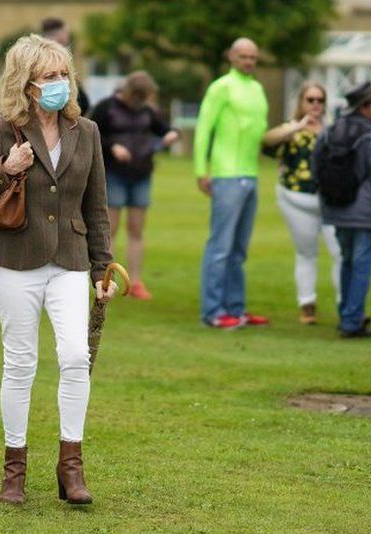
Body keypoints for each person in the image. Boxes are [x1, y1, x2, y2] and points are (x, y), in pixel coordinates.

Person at [0, 34, 116, 507]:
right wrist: (6, 167)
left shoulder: (85, 130)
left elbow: (97, 205)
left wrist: (101, 269)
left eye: (64, 74)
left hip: (69, 258)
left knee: (73, 356)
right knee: (20, 363)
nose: (60, 84)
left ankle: (71, 467)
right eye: (49, 77)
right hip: (15, 259)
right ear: (26, 85)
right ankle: (14, 470)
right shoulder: (1, 129)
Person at [193, 37, 269, 329]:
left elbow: (258, 133)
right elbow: (203, 129)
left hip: (251, 175)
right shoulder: (221, 87)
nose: (249, 61)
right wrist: (202, 170)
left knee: (239, 249)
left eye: (253, 56)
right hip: (226, 174)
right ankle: (213, 311)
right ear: (231, 57)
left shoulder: (258, 89)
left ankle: (236, 309)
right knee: (221, 246)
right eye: (243, 56)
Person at [91, 71, 179, 299]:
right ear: (129, 91)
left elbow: (165, 128)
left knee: (136, 230)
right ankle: (105, 279)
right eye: (138, 96)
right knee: (109, 230)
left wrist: (171, 134)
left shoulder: (146, 111)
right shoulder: (107, 107)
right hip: (114, 175)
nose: (140, 101)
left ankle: (136, 281)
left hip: (141, 174)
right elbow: (91, 133)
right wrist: (112, 147)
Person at [263, 82, 342, 324]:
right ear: (301, 102)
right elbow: (266, 141)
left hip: (329, 202)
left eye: (320, 100)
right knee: (306, 252)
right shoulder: (291, 130)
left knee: (340, 252)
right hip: (296, 199)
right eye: (310, 100)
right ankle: (307, 303)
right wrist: (296, 127)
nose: (315, 104)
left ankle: (345, 304)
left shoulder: (332, 130)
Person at [313, 81, 371, 339]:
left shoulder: (332, 129)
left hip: (335, 208)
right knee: (361, 265)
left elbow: (316, 163)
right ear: (366, 106)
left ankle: (346, 313)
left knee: (347, 260)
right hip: (364, 210)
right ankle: (351, 321)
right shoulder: (368, 135)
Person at [40, 18, 90, 114]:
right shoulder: (48, 56)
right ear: (59, 34)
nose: (68, 36)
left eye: (64, 74)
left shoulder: (64, 54)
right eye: (66, 32)